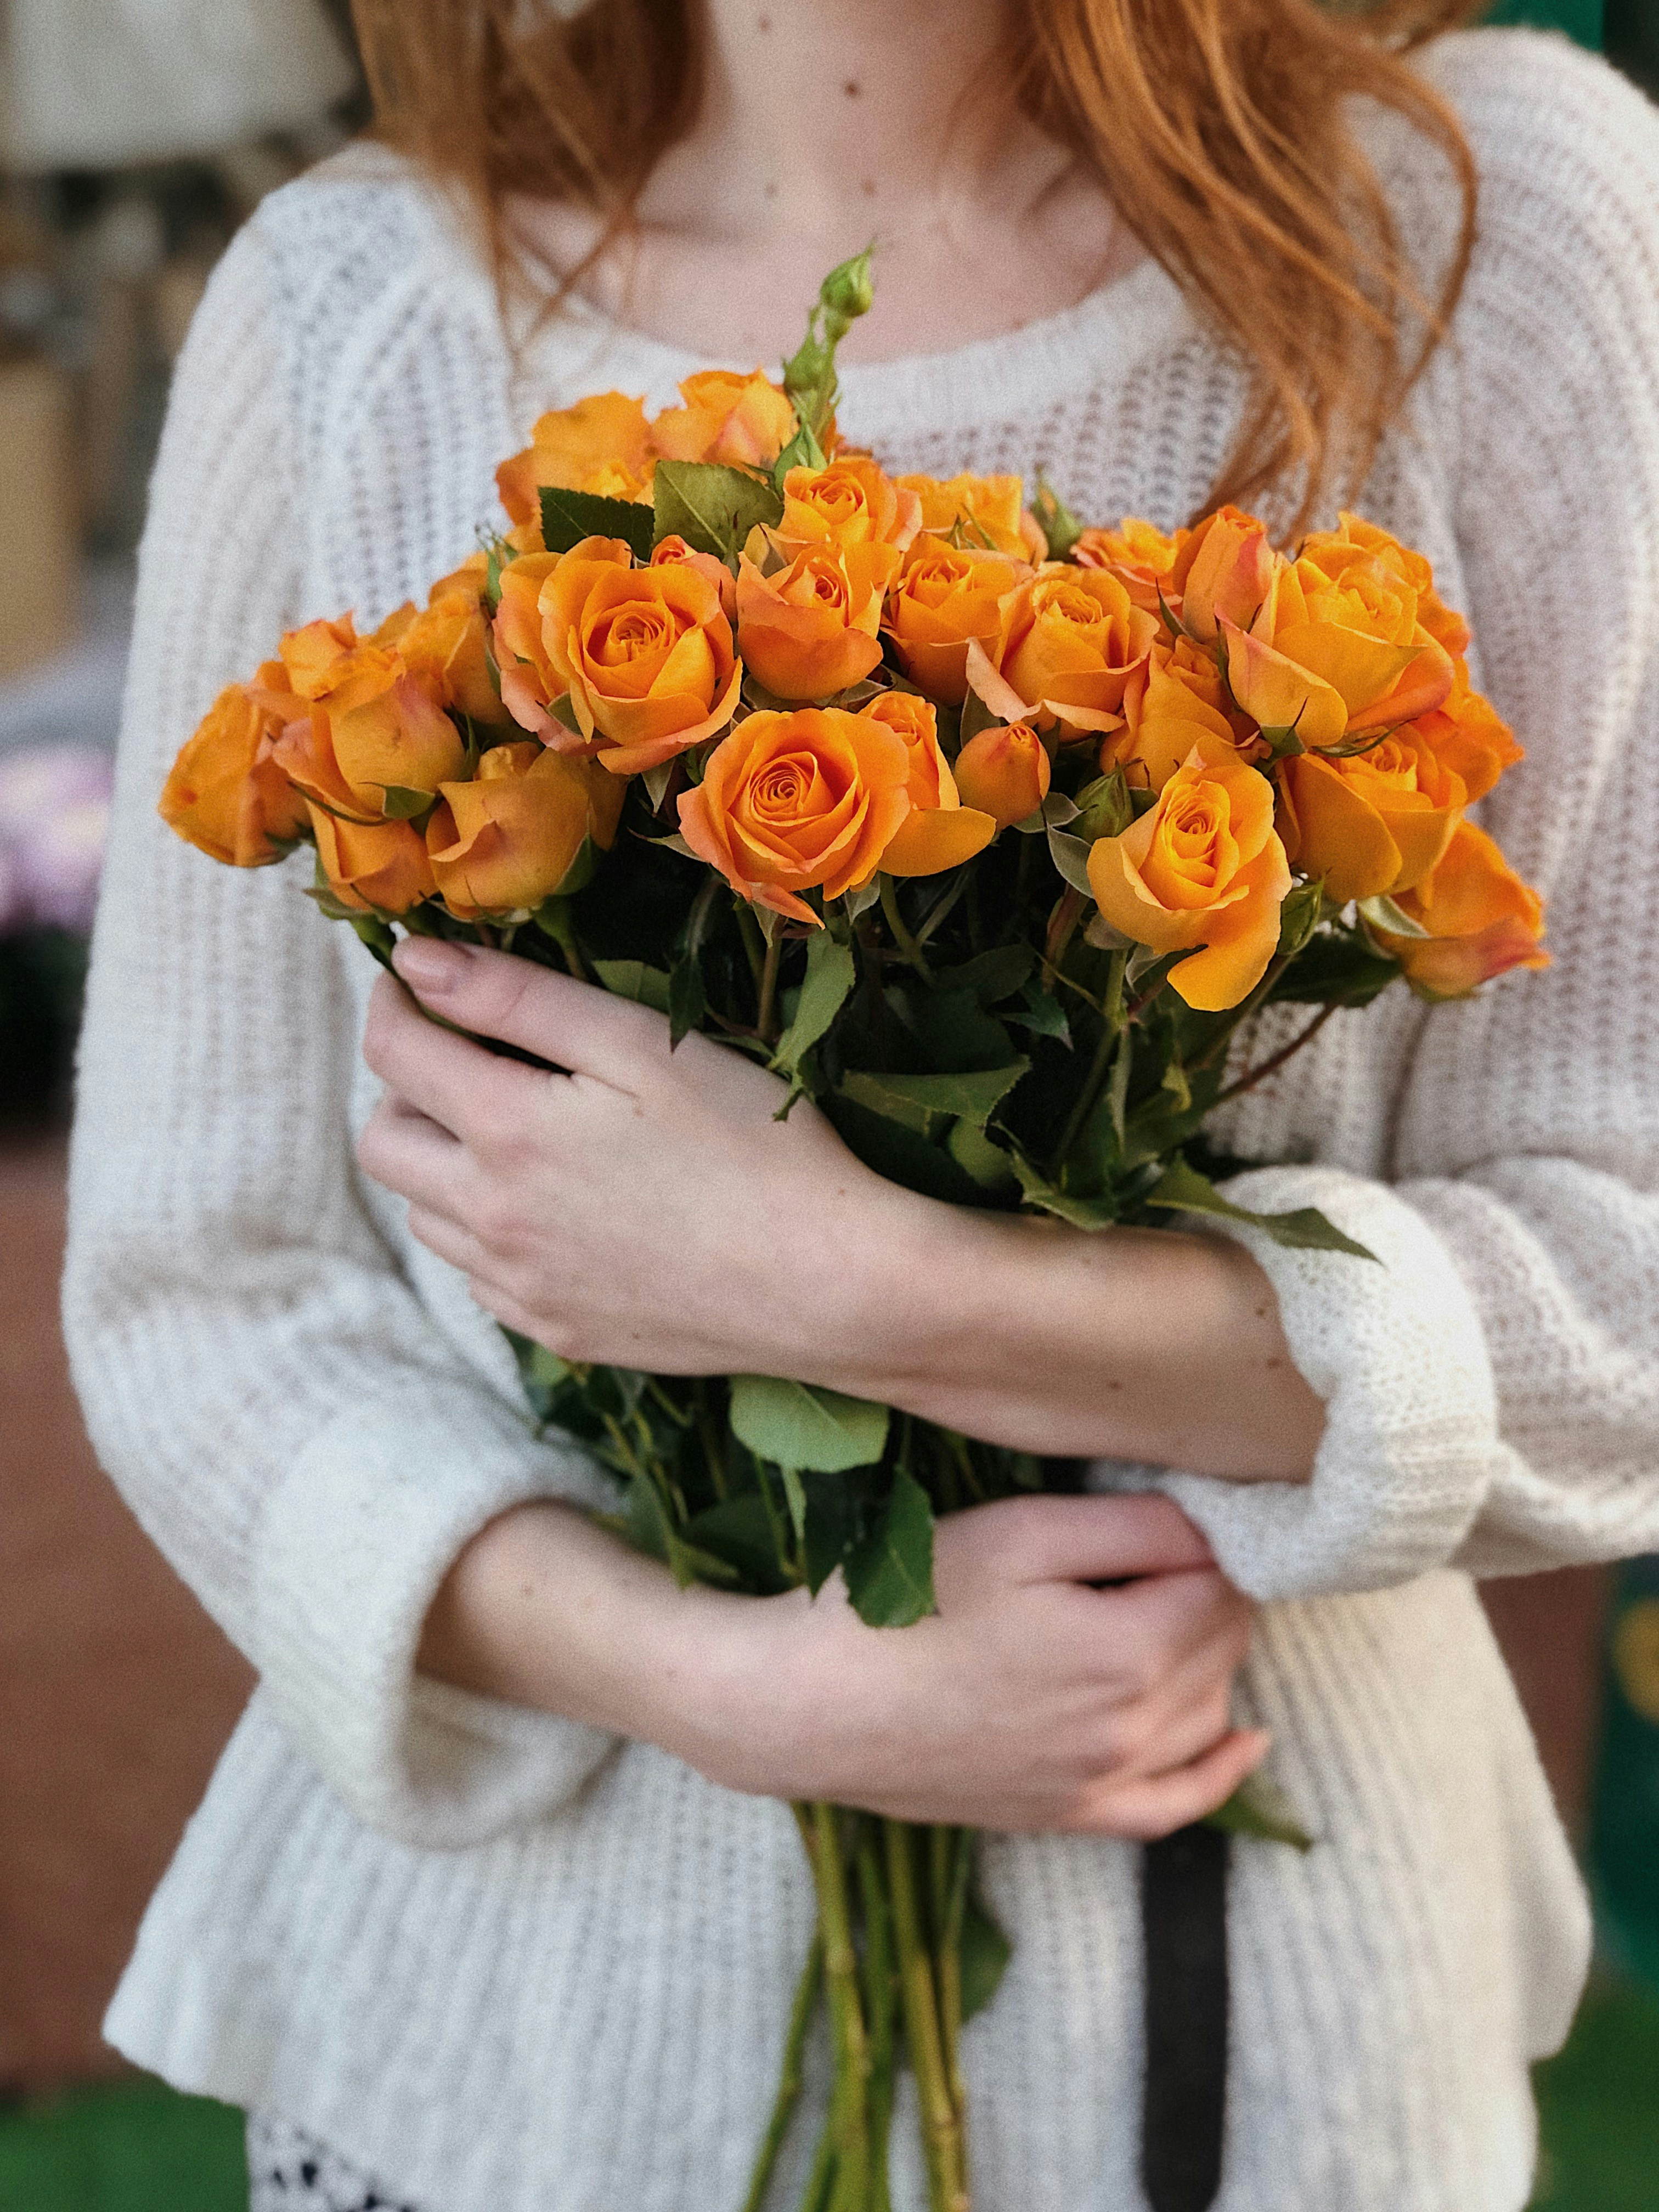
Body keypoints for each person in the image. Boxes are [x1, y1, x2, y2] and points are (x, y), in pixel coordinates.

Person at [61, 3, 1659, 2209]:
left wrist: (871, 1289)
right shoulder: (354, 301)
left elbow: (1631, 1280)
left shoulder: (1491, 225)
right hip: (508, 2081)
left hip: (1248, 2075)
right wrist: (738, 1686)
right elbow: (200, 1294)